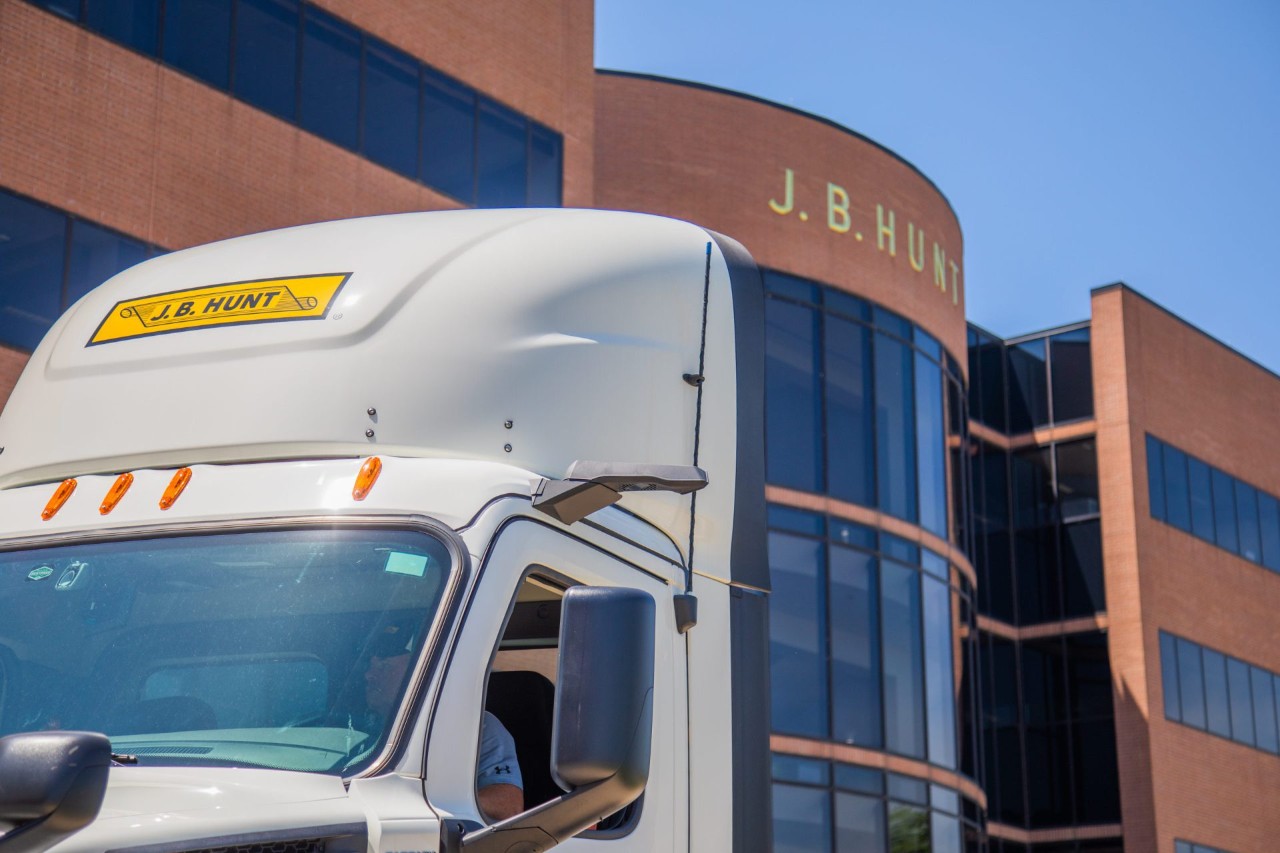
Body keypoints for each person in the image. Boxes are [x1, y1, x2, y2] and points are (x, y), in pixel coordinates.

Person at [364, 629, 524, 821]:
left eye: (383, 667)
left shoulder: (478, 727)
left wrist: (422, 803)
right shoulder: (351, 723)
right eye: (369, 667)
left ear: (415, 674)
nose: (368, 676)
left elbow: (508, 805)